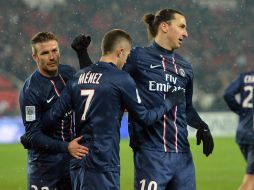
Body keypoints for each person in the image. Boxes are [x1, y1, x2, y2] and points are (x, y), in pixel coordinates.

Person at [42, 29, 185, 190]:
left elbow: (53, 116)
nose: (127, 60)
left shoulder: (78, 76)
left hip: (77, 163)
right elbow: (145, 117)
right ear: (120, 51)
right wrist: (170, 101)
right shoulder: (121, 79)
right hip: (102, 162)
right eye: (128, 55)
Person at [120, 9, 214, 190]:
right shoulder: (138, 57)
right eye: (181, 27)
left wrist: (202, 126)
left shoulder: (185, 67)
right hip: (150, 154)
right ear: (164, 27)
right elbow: (111, 84)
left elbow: (186, 108)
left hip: (182, 156)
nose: (186, 33)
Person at [19, 31, 91, 190]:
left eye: (55, 50)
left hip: (73, 160)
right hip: (45, 167)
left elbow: (91, 86)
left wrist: (82, 54)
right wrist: (66, 147)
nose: (52, 57)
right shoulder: (30, 90)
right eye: (45, 53)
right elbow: (32, 136)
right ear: (35, 57)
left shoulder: (69, 73)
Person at [224, 72, 254, 190]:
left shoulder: (245, 77)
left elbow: (227, 94)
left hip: (243, 133)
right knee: (250, 180)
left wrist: (241, 112)